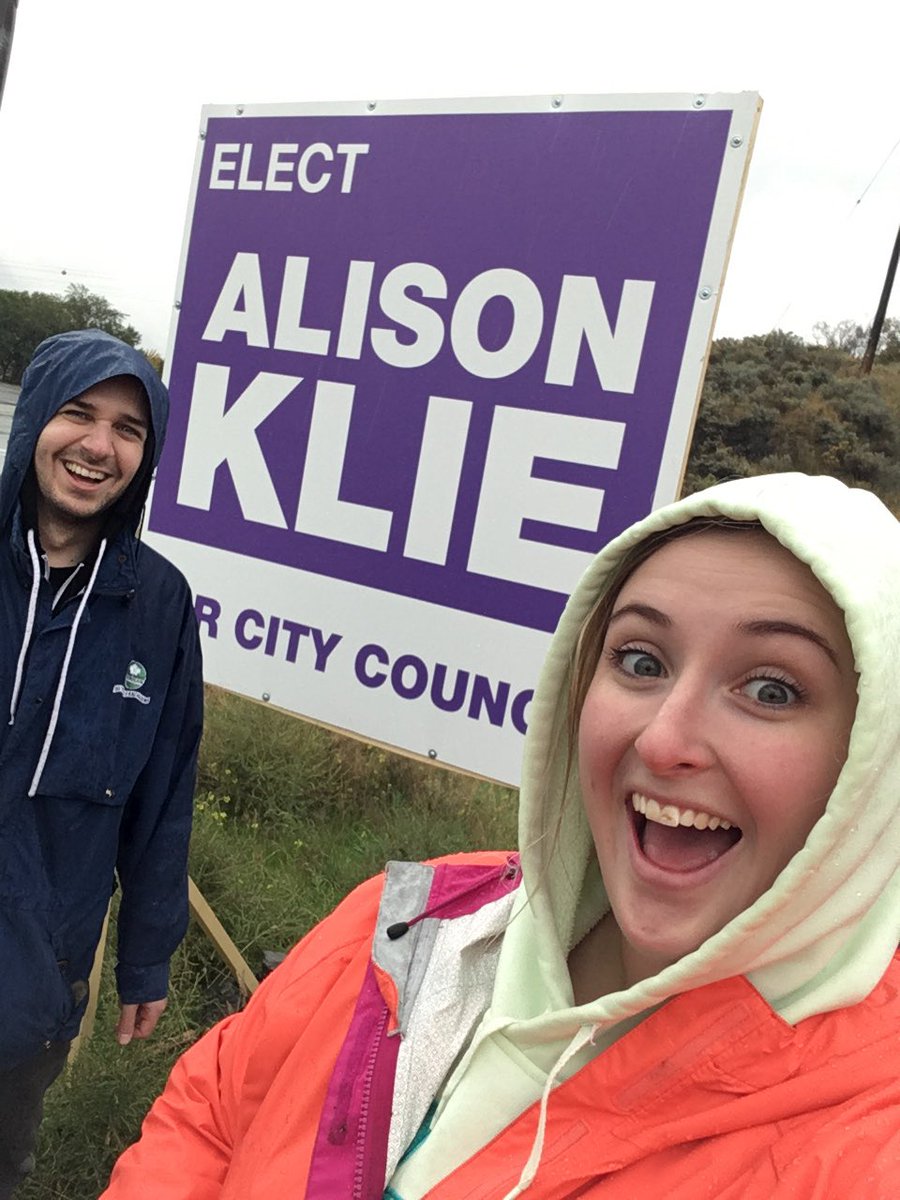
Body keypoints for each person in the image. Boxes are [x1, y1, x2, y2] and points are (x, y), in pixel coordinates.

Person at [102, 472, 900, 1199]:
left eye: (771, 688)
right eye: (641, 660)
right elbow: (214, 1109)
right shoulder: (424, 917)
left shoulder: (859, 1147)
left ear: (875, 757)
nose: (663, 740)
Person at [0, 329, 203, 1195]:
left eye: (128, 429)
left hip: (36, 966)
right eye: (79, 412)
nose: (97, 445)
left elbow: (165, 790)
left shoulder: (156, 603)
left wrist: (147, 957)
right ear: (37, 417)